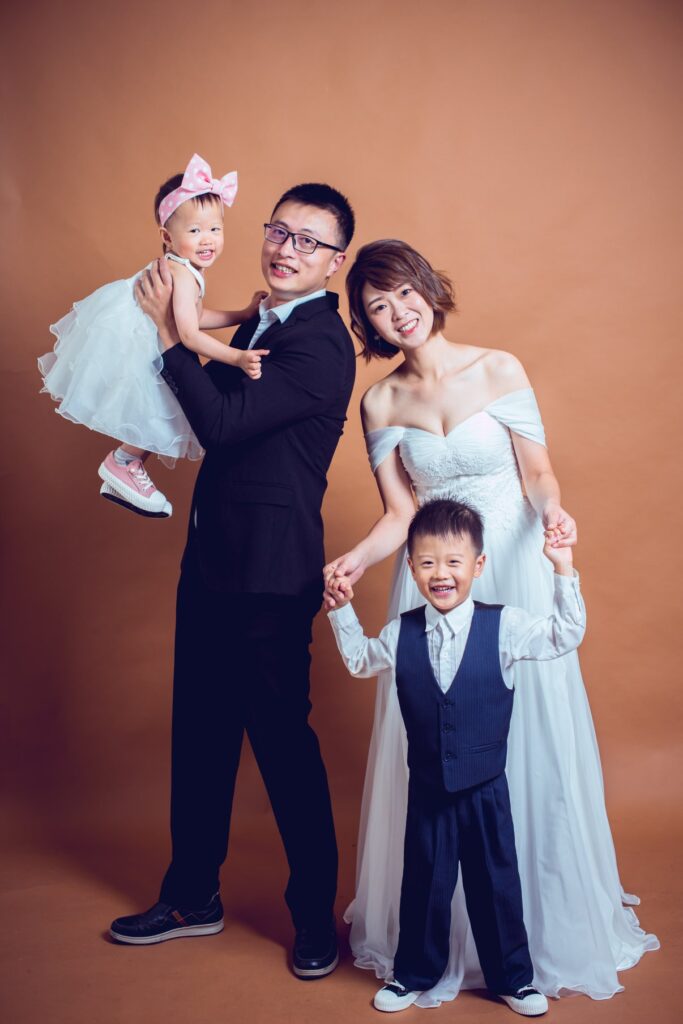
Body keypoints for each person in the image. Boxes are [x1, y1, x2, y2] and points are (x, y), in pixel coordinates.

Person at [324, 239, 659, 1004]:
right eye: (376, 306)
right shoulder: (379, 402)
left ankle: (528, 929)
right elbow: (399, 514)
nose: (397, 312)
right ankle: (433, 941)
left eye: (402, 292)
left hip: (510, 557)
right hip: (434, 573)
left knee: (526, 726)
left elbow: (536, 474)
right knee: (437, 742)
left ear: (425, 288)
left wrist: (554, 515)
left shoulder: (498, 368)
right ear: (367, 323)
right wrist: (356, 560)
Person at [109, 182, 356, 981]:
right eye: (279, 231)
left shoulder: (321, 344)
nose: (287, 249)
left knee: (284, 749)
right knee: (201, 737)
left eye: (308, 241)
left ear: (334, 262)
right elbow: (210, 402)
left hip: (272, 577)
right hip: (212, 561)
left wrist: (168, 330)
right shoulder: (257, 321)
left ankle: (314, 919)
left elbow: (219, 423)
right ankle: (191, 897)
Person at [329, 499, 587, 1016]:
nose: (441, 574)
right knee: (423, 882)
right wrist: (340, 609)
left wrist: (562, 568)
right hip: (428, 789)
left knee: (497, 882)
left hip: (486, 787)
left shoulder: (505, 626)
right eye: (427, 563)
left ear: (478, 565)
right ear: (411, 568)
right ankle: (411, 974)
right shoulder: (401, 632)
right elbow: (359, 660)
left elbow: (565, 634)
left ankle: (513, 978)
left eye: (453, 562)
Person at [38, 153, 267, 518]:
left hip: (147, 343)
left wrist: (243, 313)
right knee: (171, 405)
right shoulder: (182, 274)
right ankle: (123, 462)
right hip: (145, 348)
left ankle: (125, 464)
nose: (207, 239)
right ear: (167, 237)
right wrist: (236, 357)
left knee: (169, 406)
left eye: (215, 229)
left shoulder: (184, 269)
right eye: (194, 231)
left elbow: (194, 316)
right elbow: (189, 335)